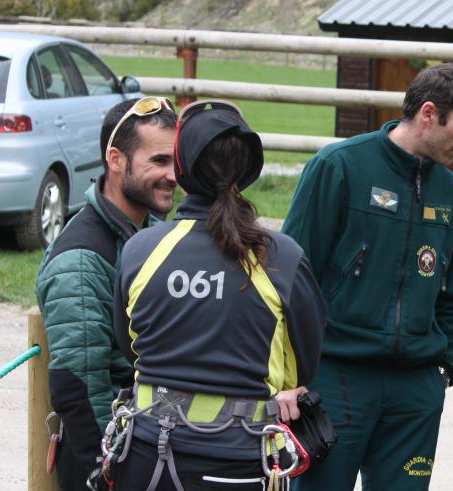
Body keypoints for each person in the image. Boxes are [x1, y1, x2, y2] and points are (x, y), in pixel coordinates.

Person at [282, 63, 453, 491]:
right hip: (336, 377)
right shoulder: (338, 167)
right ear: (429, 114)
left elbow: (450, 298)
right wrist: (290, 376)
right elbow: (289, 278)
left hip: (415, 389)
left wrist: (439, 369)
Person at [110, 100, 326, 489]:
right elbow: (302, 367)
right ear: (247, 172)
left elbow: (131, 346)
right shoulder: (282, 258)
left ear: (180, 168)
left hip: (146, 453)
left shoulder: (141, 249)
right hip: (238, 459)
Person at [35, 96, 176, 490]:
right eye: (159, 161)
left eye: (176, 162)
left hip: (144, 447)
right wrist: (107, 471)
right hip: (106, 464)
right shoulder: (80, 259)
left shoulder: (148, 231)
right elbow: (78, 386)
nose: (173, 175)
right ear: (116, 160)